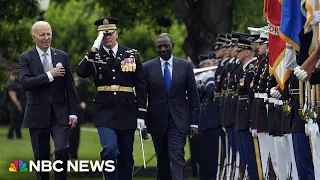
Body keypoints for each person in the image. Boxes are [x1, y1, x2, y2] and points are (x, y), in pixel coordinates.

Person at [76, 17, 147, 180]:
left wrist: (142, 113)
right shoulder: (95, 55)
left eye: (109, 34)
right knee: (110, 150)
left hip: (127, 109)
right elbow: (82, 72)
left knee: (126, 156)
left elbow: (141, 85)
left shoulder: (131, 54)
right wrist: (94, 48)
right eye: (103, 35)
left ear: (117, 34)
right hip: (104, 110)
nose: (107, 37)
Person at [18, 21, 79, 180]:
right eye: (42, 34)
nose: (47, 37)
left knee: (62, 150)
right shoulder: (26, 58)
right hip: (37, 115)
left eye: (49, 34)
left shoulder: (62, 56)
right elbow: (25, 83)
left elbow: (70, 87)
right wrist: (50, 75)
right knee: (41, 159)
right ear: (34, 37)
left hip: (60, 114)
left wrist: (73, 113)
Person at [142, 33, 200, 180]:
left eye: (165, 46)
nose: (162, 49)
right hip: (156, 121)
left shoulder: (185, 66)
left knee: (177, 157)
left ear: (172, 46)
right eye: (159, 46)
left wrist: (194, 123)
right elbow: (142, 97)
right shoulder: (147, 68)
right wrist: (141, 121)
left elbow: (194, 97)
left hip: (178, 121)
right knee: (162, 161)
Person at [68, 76, 85, 159]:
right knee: (69, 136)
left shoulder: (79, 91)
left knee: (76, 137)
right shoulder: (69, 91)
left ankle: (74, 153)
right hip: (69, 117)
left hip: (78, 117)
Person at [4, 71, 25, 139]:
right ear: (14, 76)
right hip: (13, 105)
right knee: (14, 121)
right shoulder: (11, 84)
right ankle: (10, 136)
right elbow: (12, 96)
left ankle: (18, 136)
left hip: (14, 104)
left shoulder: (13, 83)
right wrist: (18, 105)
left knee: (17, 120)